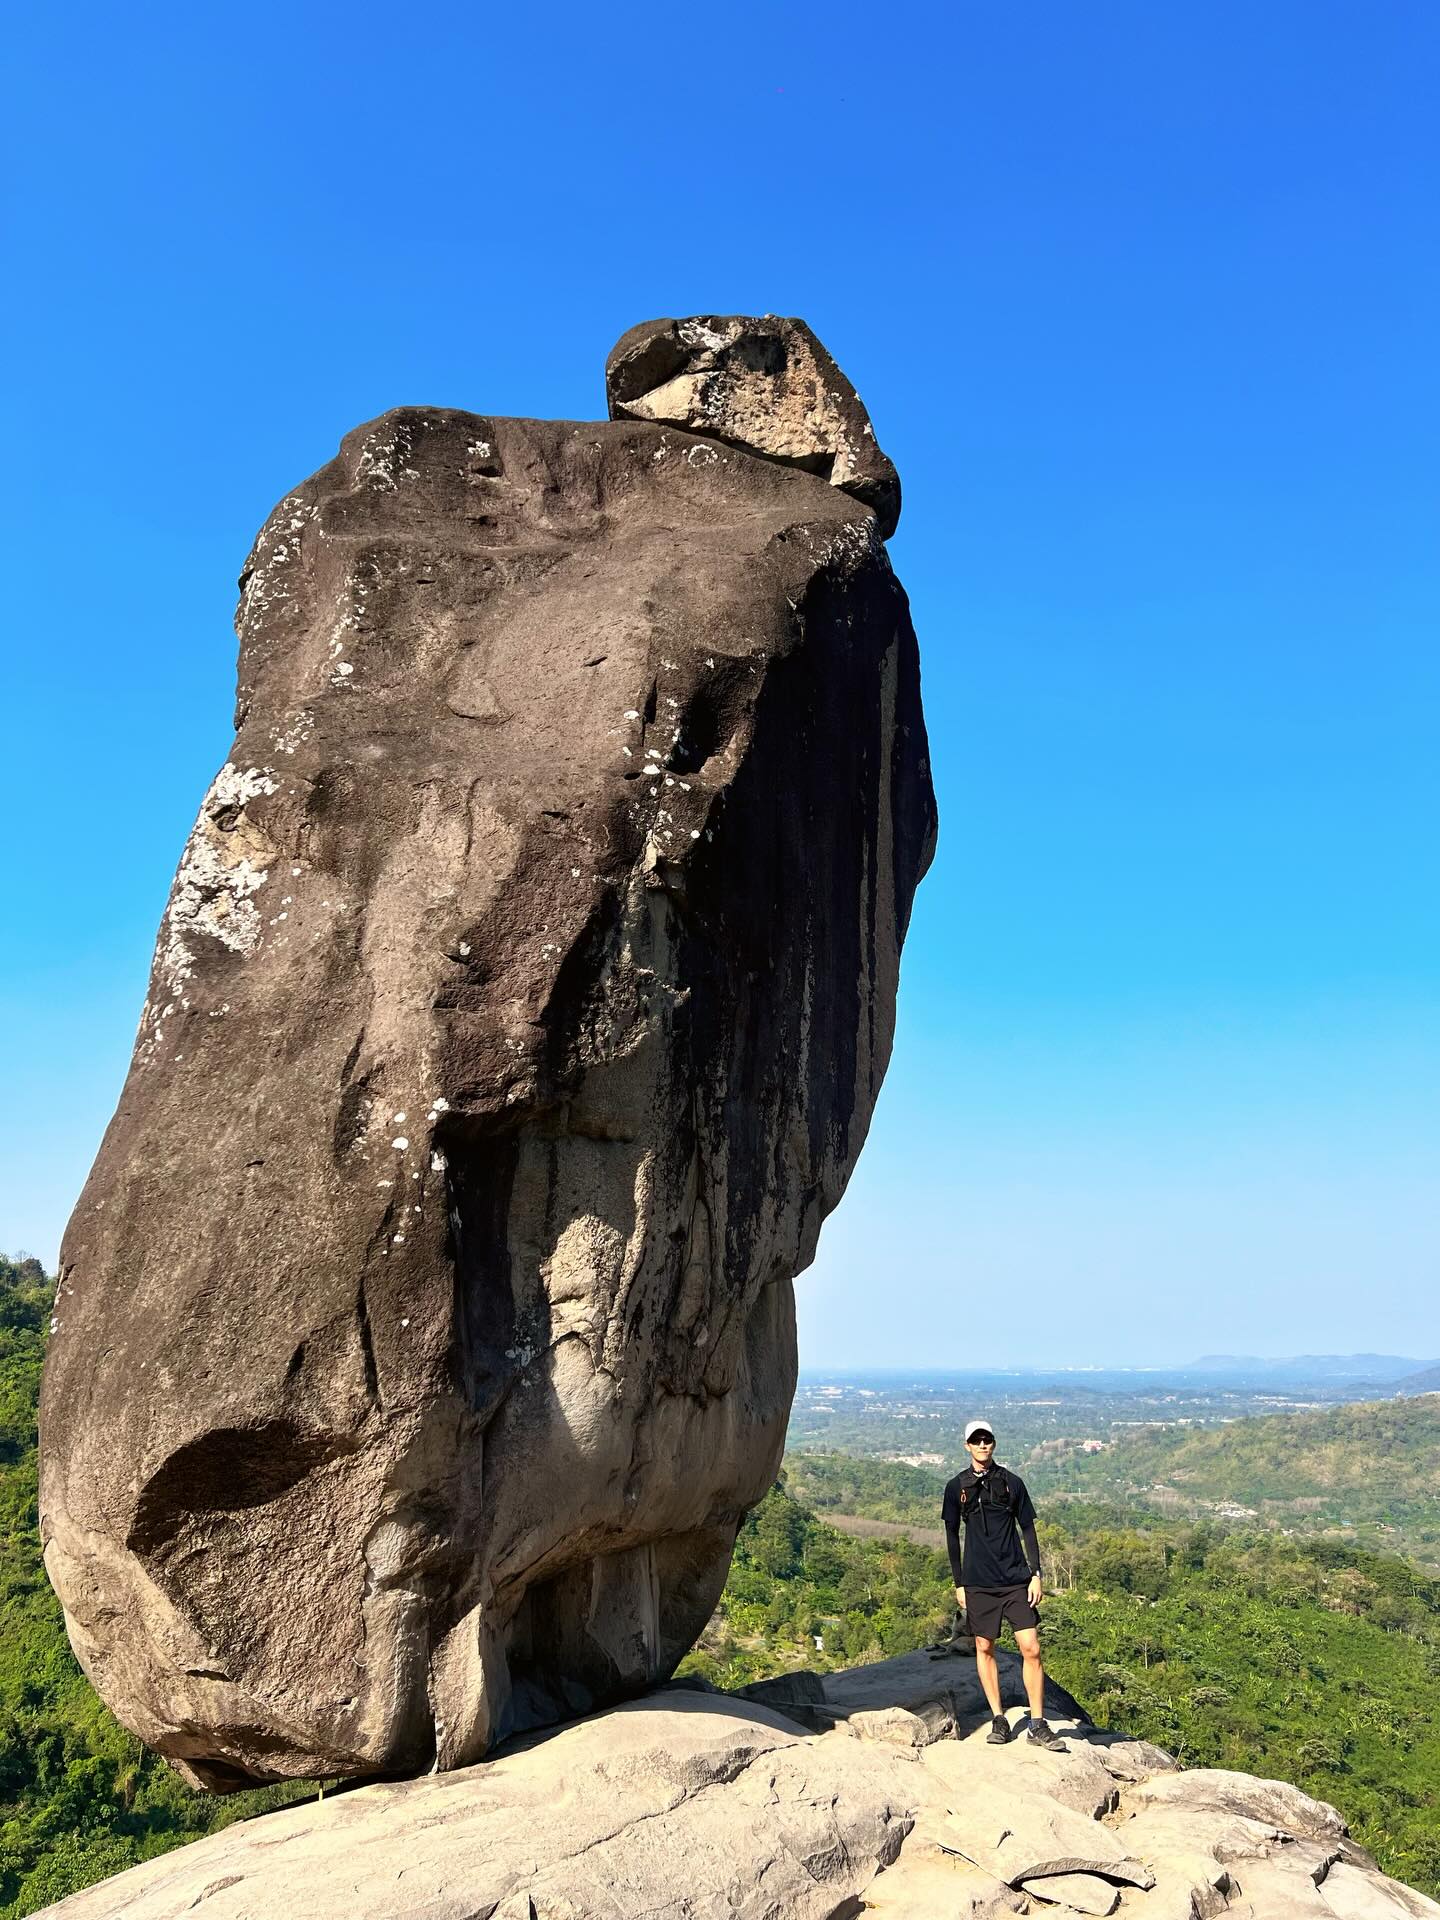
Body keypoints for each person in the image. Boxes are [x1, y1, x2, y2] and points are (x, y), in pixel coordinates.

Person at [942, 1419, 1067, 1750]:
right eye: (976, 1440)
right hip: (978, 1582)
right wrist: (959, 1583)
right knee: (984, 1647)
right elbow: (952, 1536)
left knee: (1032, 1648)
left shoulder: (1012, 1483)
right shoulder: (957, 1488)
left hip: (1015, 1579)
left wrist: (1036, 1573)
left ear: (993, 1444)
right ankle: (999, 1718)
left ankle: (1037, 1725)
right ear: (967, 1445)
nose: (983, 1445)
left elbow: (1028, 1529)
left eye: (987, 1440)